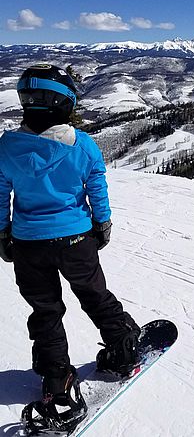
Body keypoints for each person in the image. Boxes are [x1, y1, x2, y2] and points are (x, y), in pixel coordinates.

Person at [0, 64, 141, 410]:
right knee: (94, 294)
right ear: (65, 104)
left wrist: (3, 231)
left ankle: (56, 377)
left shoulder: (7, 146)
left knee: (45, 310)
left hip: (29, 243)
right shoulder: (83, 146)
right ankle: (122, 349)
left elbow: (1, 192)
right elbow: (96, 186)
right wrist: (103, 223)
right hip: (77, 239)